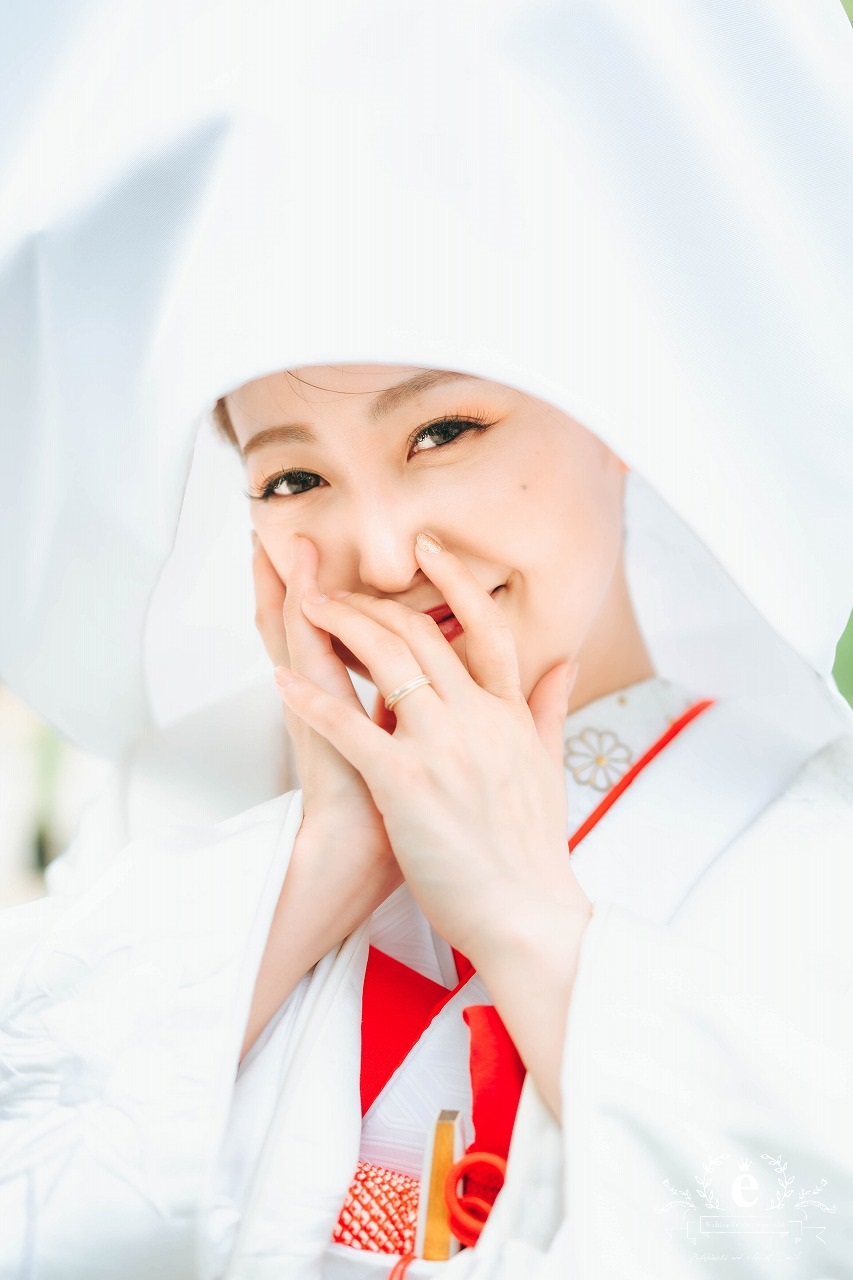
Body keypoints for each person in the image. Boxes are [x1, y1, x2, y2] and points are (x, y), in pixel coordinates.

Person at [0, 2, 851, 1277]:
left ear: (621, 415)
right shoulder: (173, 865)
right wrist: (315, 869)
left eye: (443, 433)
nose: (383, 554)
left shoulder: (811, 854)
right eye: (293, 482)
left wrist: (531, 922)